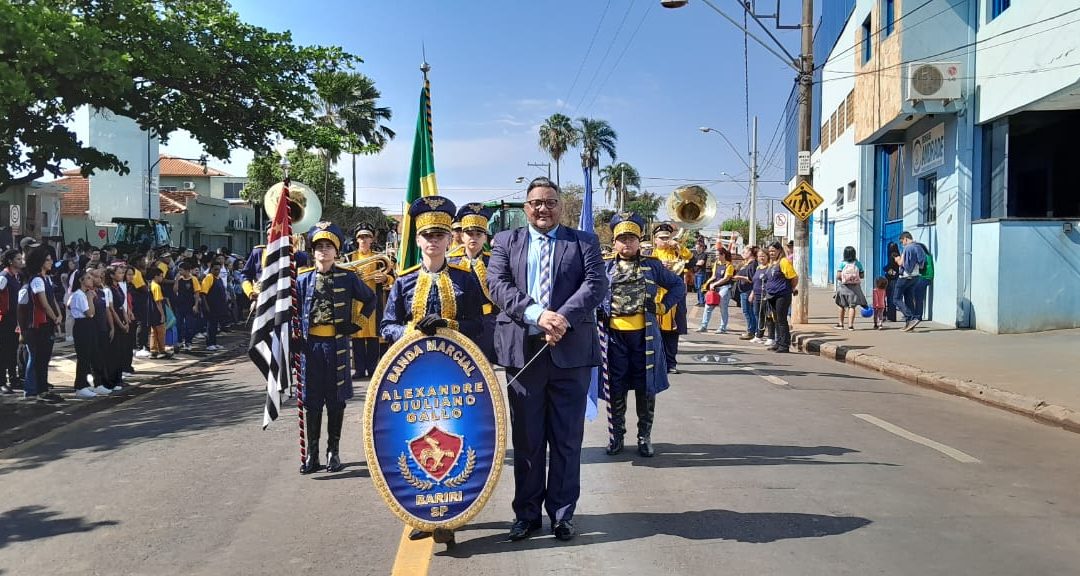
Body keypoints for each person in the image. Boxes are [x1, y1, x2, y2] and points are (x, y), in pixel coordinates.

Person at [486, 176, 607, 543]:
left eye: (550, 202)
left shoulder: (584, 241)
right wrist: (539, 314)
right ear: (526, 207)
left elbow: (596, 284)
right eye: (537, 202)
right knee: (527, 440)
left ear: (561, 206)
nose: (543, 208)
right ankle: (526, 515)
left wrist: (562, 317)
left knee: (568, 441)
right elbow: (498, 285)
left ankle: (562, 514)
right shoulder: (506, 242)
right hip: (523, 355)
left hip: (570, 355)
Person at [602, 213, 685, 458]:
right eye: (622, 239)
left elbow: (678, 286)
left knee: (645, 388)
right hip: (614, 338)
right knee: (615, 388)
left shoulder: (653, 265)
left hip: (644, 337)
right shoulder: (604, 266)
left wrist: (662, 307)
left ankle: (644, 436)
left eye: (631, 239)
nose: (627, 243)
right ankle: (616, 436)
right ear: (615, 242)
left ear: (639, 241)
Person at [296, 222, 375, 475]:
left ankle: (333, 451)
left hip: (336, 346)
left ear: (336, 250)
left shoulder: (348, 277)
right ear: (312, 251)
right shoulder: (301, 279)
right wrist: (294, 336)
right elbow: (290, 310)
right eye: (319, 246)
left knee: (336, 400)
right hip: (310, 348)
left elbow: (370, 299)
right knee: (312, 400)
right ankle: (313, 454)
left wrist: (358, 324)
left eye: (328, 246)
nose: (323, 251)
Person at [381, 198, 483, 346]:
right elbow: (387, 327)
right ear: (418, 240)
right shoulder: (403, 281)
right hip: (412, 357)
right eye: (427, 235)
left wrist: (448, 325)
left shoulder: (465, 279)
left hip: (454, 357)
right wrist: (413, 330)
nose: (433, 240)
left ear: (449, 240)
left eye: (439, 235)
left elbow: (478, 325)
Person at [446, 203, 497, 362]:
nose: (473, 238)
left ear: (485, 237)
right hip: (459, 324)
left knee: (486, 368)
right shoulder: (449, 262)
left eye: (478, 234)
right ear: (462, 236)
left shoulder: (495, 261)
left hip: (488, 322)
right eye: (469, 233)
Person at [344, 224, 393, 379]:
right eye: (360, 237)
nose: (363, 240)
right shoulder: (349, 257)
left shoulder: (380, 258)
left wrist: (386, 278)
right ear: (356, 240)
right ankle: (359, 369)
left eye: (366, 237)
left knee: (373, 336)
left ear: (372, 239)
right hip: (355, 302)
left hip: (374, 300)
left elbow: (393, 277)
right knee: (357, 336)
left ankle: (372, 368)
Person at [18, 245, 63, 403]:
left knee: (44, 358)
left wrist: (59, 315)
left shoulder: (47, 278)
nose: (51, 262)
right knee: (38, 358)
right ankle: (36, 390)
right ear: (40, 262)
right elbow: (43, 303)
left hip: (47, 324)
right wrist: (54, 316)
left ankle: (41, 389)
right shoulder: (37, 280)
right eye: (48, 260)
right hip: (38, 326)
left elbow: (52, 300)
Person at [650, 223, 690, 374]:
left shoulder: (677, 252)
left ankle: (671, 363)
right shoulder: (650, 254)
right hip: (655, 297)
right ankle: (655, 363)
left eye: (668, 237)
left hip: (674, 299)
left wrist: (678, 246)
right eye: (662, 238)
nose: (666, 240)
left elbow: (690, 261)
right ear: (655, 240)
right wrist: (660, 265)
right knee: (654, 332)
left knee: (673, 333)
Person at [763, 241, 797, 352]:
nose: (771, 253)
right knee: (776, 319)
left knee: (782, 320)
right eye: (770, 251)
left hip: (782, 294)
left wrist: (790, 288)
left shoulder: (784, 262)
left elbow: (794, 277)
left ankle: (784, 345)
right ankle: (778, 342)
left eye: (773, 250)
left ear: (779, 251)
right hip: (771, 295)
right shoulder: (772, 264)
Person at [0, 249, 23, 394]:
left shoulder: (16, 276)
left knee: (12, 349)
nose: (21, 261)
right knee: (4, 350)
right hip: (5, 319)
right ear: (10, 261)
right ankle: (2, 382)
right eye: (18, 259)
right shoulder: (4, 277)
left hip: (15, 318)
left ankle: (13, 378)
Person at [896, 231, 927, 332]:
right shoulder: (919, 247)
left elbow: (903, 263)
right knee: (909, 298)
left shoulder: (908, 248)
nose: (902, 244)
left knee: (896, 299)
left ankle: (911, 317)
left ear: (905, 238)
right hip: (915, 276)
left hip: (905, 276)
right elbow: (922, 261)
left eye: (902, 241)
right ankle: (910, 324)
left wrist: (897, 260)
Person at [698, 247, 734, 333]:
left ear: (723, 255)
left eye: (718, 255)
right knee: (708, 306)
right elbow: (714, 276)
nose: (717, 256)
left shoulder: (729, 265)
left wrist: (714, 284)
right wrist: (708, 283)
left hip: (725, 288)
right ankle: (704, 325)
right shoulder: (716, 264)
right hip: (715, 288)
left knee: (723, 307)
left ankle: (722, 327)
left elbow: (726, 278)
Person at [834, 246, 869, 330]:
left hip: (843, 287)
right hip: (855, 288)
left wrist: (844, 279)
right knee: (852, 306)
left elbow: (838, 276)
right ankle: (850, 326)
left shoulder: (842, 263)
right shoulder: (857, 263)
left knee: (841, 305)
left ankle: (841, 324)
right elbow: (862, 275)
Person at [173, 260, 202, 352]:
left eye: (181, 270)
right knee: (179, 324)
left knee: (189, 325)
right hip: (179, 305)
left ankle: (188, 342)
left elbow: (197, 293)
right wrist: (176, 281)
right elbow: (175, 290)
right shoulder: (179, 278)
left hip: (190, 305)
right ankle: (179, 341)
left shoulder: (193, 279)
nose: (180, 272)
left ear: (187, 270)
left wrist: (196, 305)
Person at [200, 261, 228, 351]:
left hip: (218, 306)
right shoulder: (209, 278)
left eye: (219, 269)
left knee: (215, 326)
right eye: (215, 269)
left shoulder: (218, 278)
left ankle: (214, 342)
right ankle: (209, 344)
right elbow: (203, 293)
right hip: (211, 306)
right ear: (211, 269)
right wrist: (206, 306)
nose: (217, 271)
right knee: (211, 325)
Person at [733, 246, 760, 340]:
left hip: (748, 290)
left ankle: (751, 331)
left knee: (748, 312)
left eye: (745, 251)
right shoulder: (746, 263)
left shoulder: (753, 264)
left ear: (751, 253)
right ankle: (752, 330)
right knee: (747, 311)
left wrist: (740, 277)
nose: (743, 252)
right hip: (743, 290)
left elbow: (752, 279)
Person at [146, 266, 171, 359]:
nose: (162, 278)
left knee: (153, 332)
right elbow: (158, 302)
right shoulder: (156, 286)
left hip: (151, 312)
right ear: (156, 276)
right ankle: (162, 350)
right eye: (161, 276)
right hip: (157, 312)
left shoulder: (151, 284)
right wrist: (162, 314)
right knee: (161, 331)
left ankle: (153, 350)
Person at [750, 247, 773, 344]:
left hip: (766, 296)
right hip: (757, 296)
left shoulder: (769, 268)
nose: (761, 258)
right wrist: (752, 293)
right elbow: (755, 282)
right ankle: (759, 335)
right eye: (759, 256)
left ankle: (771, 337)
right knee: (758, 315)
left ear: (767, 257)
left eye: (763, 256)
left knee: (768, 317)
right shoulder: (758, 268)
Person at [883, 242, 901, 324]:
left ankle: (891, 316)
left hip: (892, 279)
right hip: (895, 278)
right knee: (892, 298)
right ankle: (891, 316)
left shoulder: (892, 255)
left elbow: (889, 267)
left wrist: (885, 269)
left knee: (890, 297)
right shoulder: (898, 255)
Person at [690, 237, 709, 307]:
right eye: (696, 247)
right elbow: (692, 262)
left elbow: (701, 263)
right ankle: (699, 301)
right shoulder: (695, 254)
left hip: (701, 273)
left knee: (700, 287)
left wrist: (694, 262)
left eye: (698, 247)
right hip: (695, 273)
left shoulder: (704, 255)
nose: (696, 249)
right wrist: (695, 262)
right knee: (697, 287)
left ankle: (702, 301)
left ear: (701, 247)